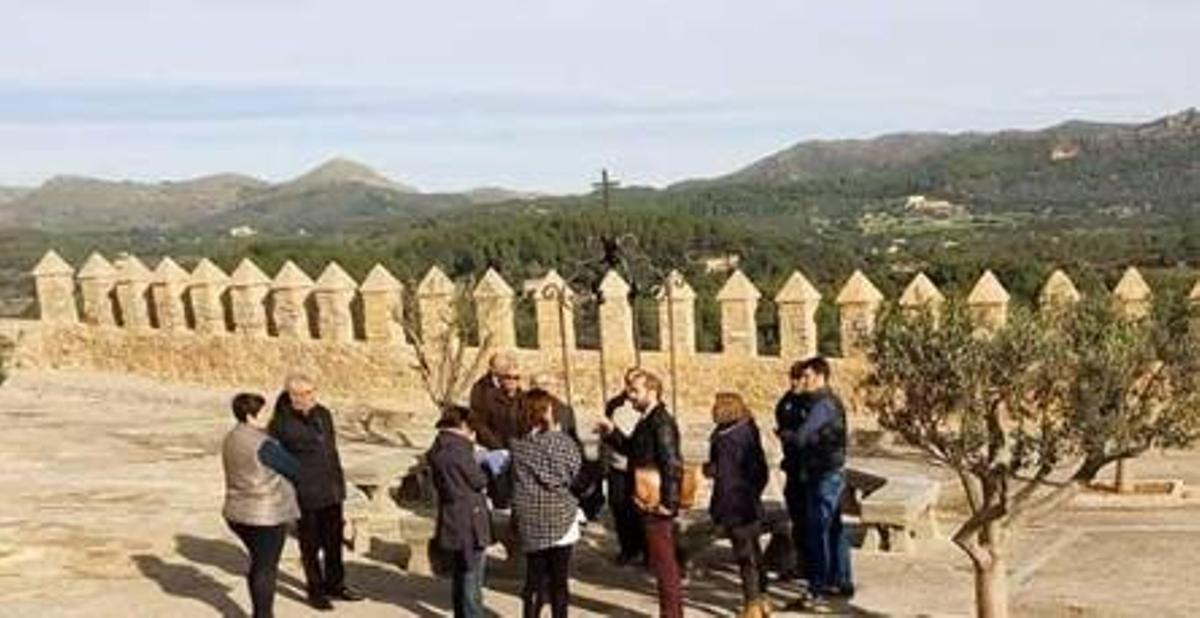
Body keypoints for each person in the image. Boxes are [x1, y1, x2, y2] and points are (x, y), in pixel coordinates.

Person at [268, 373, 362, 610]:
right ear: (293, 396)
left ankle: (336, 584)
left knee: (334, 541)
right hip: (307, 493)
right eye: (306, 393)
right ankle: (316, 590)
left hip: (331, 489)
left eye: (312, 391)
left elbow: (330, 449)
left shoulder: (323, 414)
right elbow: (275, 460)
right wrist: (295, 480)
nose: (312, 397)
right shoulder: (282, 424)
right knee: (310, 545)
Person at [597, 369, 684, 618]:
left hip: (656, 500)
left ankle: (671, 614)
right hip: (646, 497)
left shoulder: (661, 422)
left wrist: (669, 503)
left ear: (652, 391)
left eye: (635, 390)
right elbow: (632, 449)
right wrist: (611, 431)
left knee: (664, 562)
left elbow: (671, 464)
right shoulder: (647, 419)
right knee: (660, 560)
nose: (630, 395)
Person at [776, 357, 854, 609]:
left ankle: (817, 588)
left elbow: (802, 436)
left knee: (818, 530)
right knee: (833, 528)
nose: (803, 380)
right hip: (827, 471)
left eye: (807, 376)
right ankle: (840, 580)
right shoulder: (820, 402)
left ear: (820, 377)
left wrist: (786, 435)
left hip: (824, 475)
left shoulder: (823, 405)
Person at [222, 393, 301, 618]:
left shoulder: (231, 437)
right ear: (250, 416)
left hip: (236, 512)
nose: (269, 416)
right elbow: (294, 468)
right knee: (265, 568)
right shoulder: (263, 444)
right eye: (264, 412)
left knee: (259, 563)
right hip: (264, 515)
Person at [511, 389, 583, 618]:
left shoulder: (517, 443)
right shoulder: (560, 442)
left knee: (534, 578)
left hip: (530, 516)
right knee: (558, 580)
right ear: (544, 411)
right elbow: (576, 474)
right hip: (559, 515)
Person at [706, 392, 771, 616]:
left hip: (734, 505)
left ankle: (752, 604)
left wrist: (718, 508)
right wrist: (754, 492)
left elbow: (724, 477)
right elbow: (761, 470)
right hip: (750, 501)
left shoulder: (725, 439)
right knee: (755, 552)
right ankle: (763, 598)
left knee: (745, 557)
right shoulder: (749, 429)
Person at [428, 405, 492, 618]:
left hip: (452, 516)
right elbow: (478, 480)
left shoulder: (438, 447)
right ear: (463, 425)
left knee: (460, 574)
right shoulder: (460, 451)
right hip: (470, 519)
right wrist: (481, 459)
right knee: (472, 576)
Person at [600, 367, 645, 565]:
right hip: (617, 467)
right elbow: (606, 436)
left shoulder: (646, 405)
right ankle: (627, 549)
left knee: (640, 510)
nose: (630, 387)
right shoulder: (614, 404)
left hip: (638, 468)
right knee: (619, 508)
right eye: (628, 382)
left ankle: (643, 549)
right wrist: (604, 463)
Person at [774, 361, 814, 582]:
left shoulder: (813, 403)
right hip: (793, 466)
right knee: (797, 517)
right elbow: (782, 421)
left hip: (810, 468)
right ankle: (801, 563)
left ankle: (814, 565)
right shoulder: (786, 402)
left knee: (811, 519)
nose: (795, 382)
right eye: (793, 378)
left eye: (799, 378)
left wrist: (791, 436)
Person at [468, 351, 525, 508]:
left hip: (514, 445)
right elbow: (478, 420)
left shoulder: (520, 396)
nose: (511, 379)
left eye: (516, 377)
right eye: (506, 373)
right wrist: (496, 445)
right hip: (493, 444)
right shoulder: (482, 389)